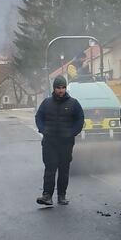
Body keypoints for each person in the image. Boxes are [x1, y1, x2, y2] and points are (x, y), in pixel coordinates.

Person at [34, 76, 84, 206]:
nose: (61, 90)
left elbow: (80, 119)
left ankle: (61, 196)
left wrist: (73, 132)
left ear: (65, 88)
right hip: (49, 142)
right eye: (58, 88)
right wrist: (43, 129)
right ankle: (47, 196)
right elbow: (39, 117)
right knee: (50, 168)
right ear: (54, 88)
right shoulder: (46, 103)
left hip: (66, 143)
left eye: (63, 87)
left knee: (63, 169)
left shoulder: (73, 103)